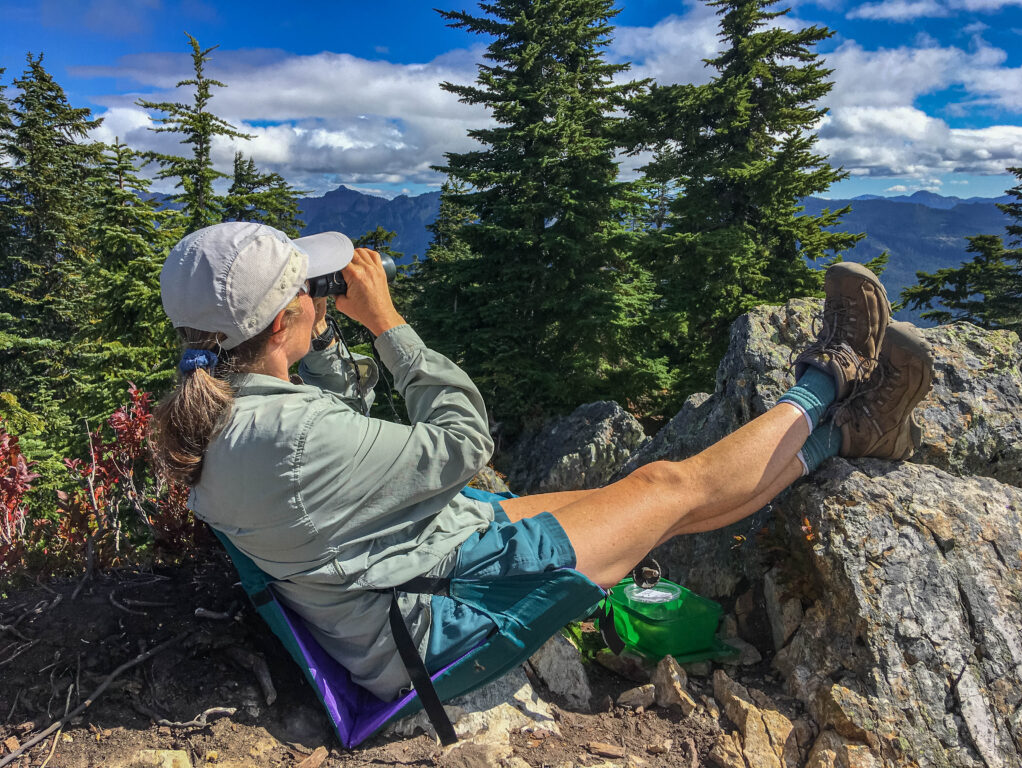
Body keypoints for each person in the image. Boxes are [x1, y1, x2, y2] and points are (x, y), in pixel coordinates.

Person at [151, 221, 933, 702]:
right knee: (667, 487)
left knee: (636, 499)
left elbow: (336, 452)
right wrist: (388, 324)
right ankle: (832, 380)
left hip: (405, 563)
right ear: (284, 316)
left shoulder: (219, 412)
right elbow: (462, 443)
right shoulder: (284, 442)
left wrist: (313, 343)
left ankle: (847, 435)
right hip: (434, 622)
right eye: (310, 296)